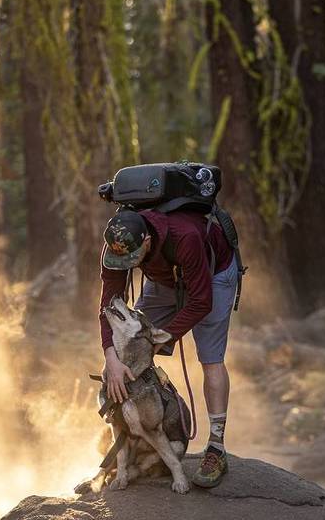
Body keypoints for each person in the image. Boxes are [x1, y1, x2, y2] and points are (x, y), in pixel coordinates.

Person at [99, 208, 237, 488]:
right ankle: (127, 440)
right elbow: (108, 307)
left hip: (212, 274)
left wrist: (164, 336)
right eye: (120, 260)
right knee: (128, 348)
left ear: (147, 241)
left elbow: (202, 301)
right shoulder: (116, 244)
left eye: (130, 259)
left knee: (211, 358)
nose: (124, 264)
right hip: (164, 277)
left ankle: (216, 447)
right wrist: (111, 358)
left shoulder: (185, 236)